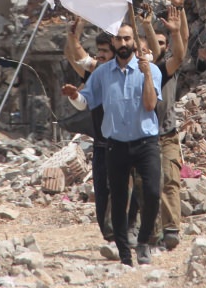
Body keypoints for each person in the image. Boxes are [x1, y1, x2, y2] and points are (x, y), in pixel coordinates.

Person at [62, 23, 162, 267]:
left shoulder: (151, 71)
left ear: (134, 42)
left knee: (151, 193)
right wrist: (75, 96)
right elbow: (86, 102)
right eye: (119, 39)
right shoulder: (102, 73)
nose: (123, 43)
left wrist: (147, 73)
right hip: (115, 145)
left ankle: (143, 242)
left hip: (146, 142)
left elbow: (150, 105)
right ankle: (125, 255)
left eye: (128, 38)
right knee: (116, 200)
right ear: (114, 43)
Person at [140, 0, 189, 251]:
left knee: (170, 180)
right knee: (149, 186)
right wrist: (147, 26)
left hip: (167, 135)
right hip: (144, 137)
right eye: (152, 42)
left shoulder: (166, 70)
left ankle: (171, 229)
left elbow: (180, 48)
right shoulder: (144, 71)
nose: (159, 46)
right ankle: (152, 231)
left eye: (163, 41)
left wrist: (178, 9)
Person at [64, 17, 115, 242]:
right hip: (102, 143)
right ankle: (110, 231)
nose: (100, 56)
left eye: (105, 51)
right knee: (103, 191)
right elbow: (74, 54)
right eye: (98, 51)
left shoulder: (131, 74)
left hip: (126, 142)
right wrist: (75, 30)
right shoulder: (95, 75)